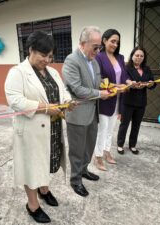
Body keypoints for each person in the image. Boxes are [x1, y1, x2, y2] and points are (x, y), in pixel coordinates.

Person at [5, 31, 75, 223]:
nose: (47, 60)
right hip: (31, 131)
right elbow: (15, 100)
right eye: (43, 55)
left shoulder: (52, 72)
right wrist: (44, 108)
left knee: (47, 162)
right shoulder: (17, 72)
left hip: (53, 129)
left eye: (50, 56)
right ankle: (32, 205)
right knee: (31, 167)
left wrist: (68, 101)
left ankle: (44, 190)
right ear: (31, 50)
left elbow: (62, 90)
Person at [62, 26, 110, 197]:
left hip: (92, 114)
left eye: (100, 48)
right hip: (77, 114)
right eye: (95, 47)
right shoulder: (71, 60)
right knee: (77, 150)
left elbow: (96, 83)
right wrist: (99, 93)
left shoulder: (94, 61)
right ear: (83, 44)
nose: (98, 51)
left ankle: (83, 170)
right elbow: (77, 89)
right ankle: (75, 180)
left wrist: (109, 87)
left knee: (89, 146)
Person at [94, 29, 131, 171]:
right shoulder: (99, 57)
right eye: (112, 41)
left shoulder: (120, 57)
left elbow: (124, 75)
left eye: (117, 42)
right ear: (104, 40)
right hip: (105, 99)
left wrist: (128, 82)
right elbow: (99, 79)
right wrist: (116, 86)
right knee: (102, 130)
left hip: (118, 99)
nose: (115, 44)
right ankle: (97, 157)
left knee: (111, 129)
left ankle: (107, 151)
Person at [117, 46, 156, 155]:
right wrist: (131, 84)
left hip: (141, 102)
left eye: (141, 56)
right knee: (124, 124)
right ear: (132, 56)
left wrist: (151, 84)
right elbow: (123, 82)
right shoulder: (126, 68)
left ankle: (132, 145)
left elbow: (153, 83)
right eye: (137, 55)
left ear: (144, 58)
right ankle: (120, 145)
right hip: (128, 101)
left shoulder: (147, 69)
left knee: (136, 125)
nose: (139, 57)